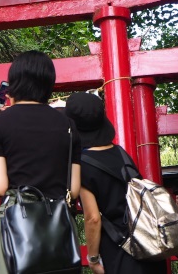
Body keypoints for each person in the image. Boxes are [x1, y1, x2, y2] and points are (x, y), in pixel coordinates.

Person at [0, 50, 82, 274]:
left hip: (17, 224)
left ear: (13, 83)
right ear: (49, 84)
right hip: (57, 225)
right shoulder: (68, 125)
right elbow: (74, 190)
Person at [65, 92, 166, 274]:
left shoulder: (82, 165)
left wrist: (93, 259)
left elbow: (92, 218)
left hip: (120, 250)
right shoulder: (121, 153)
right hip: (149, 244)